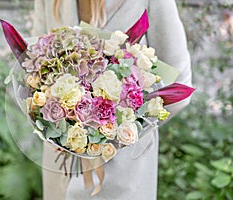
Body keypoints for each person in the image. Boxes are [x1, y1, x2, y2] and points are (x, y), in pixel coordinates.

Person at [30, 0, 192, 199]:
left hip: (123, 170)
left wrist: (121, 129)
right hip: (61, 166)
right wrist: (54, 125)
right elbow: (34, 62)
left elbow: (179, 82)